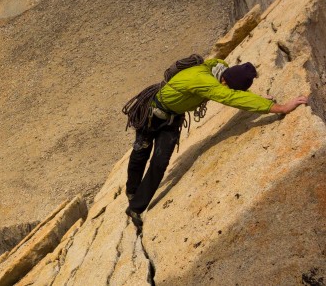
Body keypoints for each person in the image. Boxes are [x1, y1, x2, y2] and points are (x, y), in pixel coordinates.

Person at [124, 56, 307, 227]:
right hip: (152, 114)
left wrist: (255, 98)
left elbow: (234, 90)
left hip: (172, 119)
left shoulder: (219, 68)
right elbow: (230, 96)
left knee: (160, 162)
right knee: (141, 152)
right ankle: (132, 190)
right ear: (224, 81)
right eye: (228, 86)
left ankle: (135, 207)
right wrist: (280, 108)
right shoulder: (206, 81)